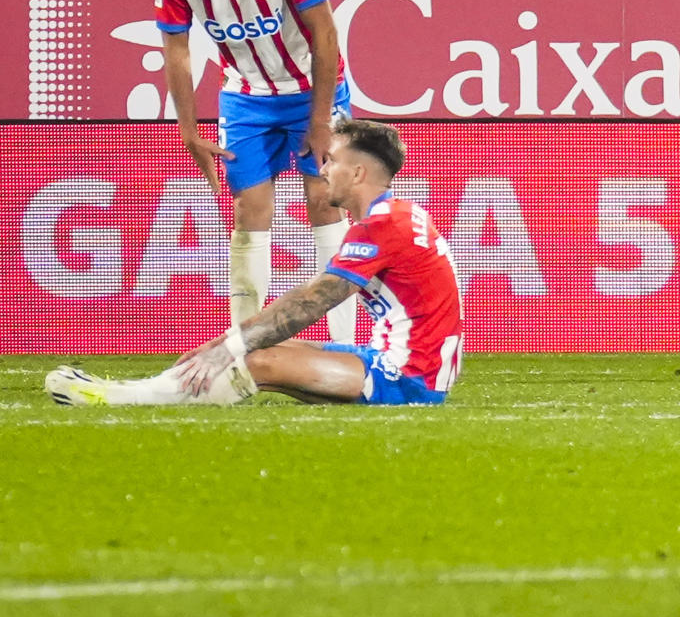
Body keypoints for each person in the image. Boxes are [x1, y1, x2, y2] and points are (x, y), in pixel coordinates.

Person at [47, 119, 463, 409]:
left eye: (331, 160)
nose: (323, 169)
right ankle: (137, 390)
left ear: (357, 173)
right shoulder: (398, 213)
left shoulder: (380, 224)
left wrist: (228, 345)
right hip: (411, 366)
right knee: (261, 348)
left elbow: (313, 300)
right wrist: (232, 342)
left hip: (408, 377)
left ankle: (117, 397)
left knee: (256, 359)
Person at [143, 0, 357, 341]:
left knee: (325, 202)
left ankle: (343, 344)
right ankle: (244, 350)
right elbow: (176, 50)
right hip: (245, 95)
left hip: (310, 90)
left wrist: (320, 121)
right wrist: (188, 131)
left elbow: (325, 34)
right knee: (249, 211)